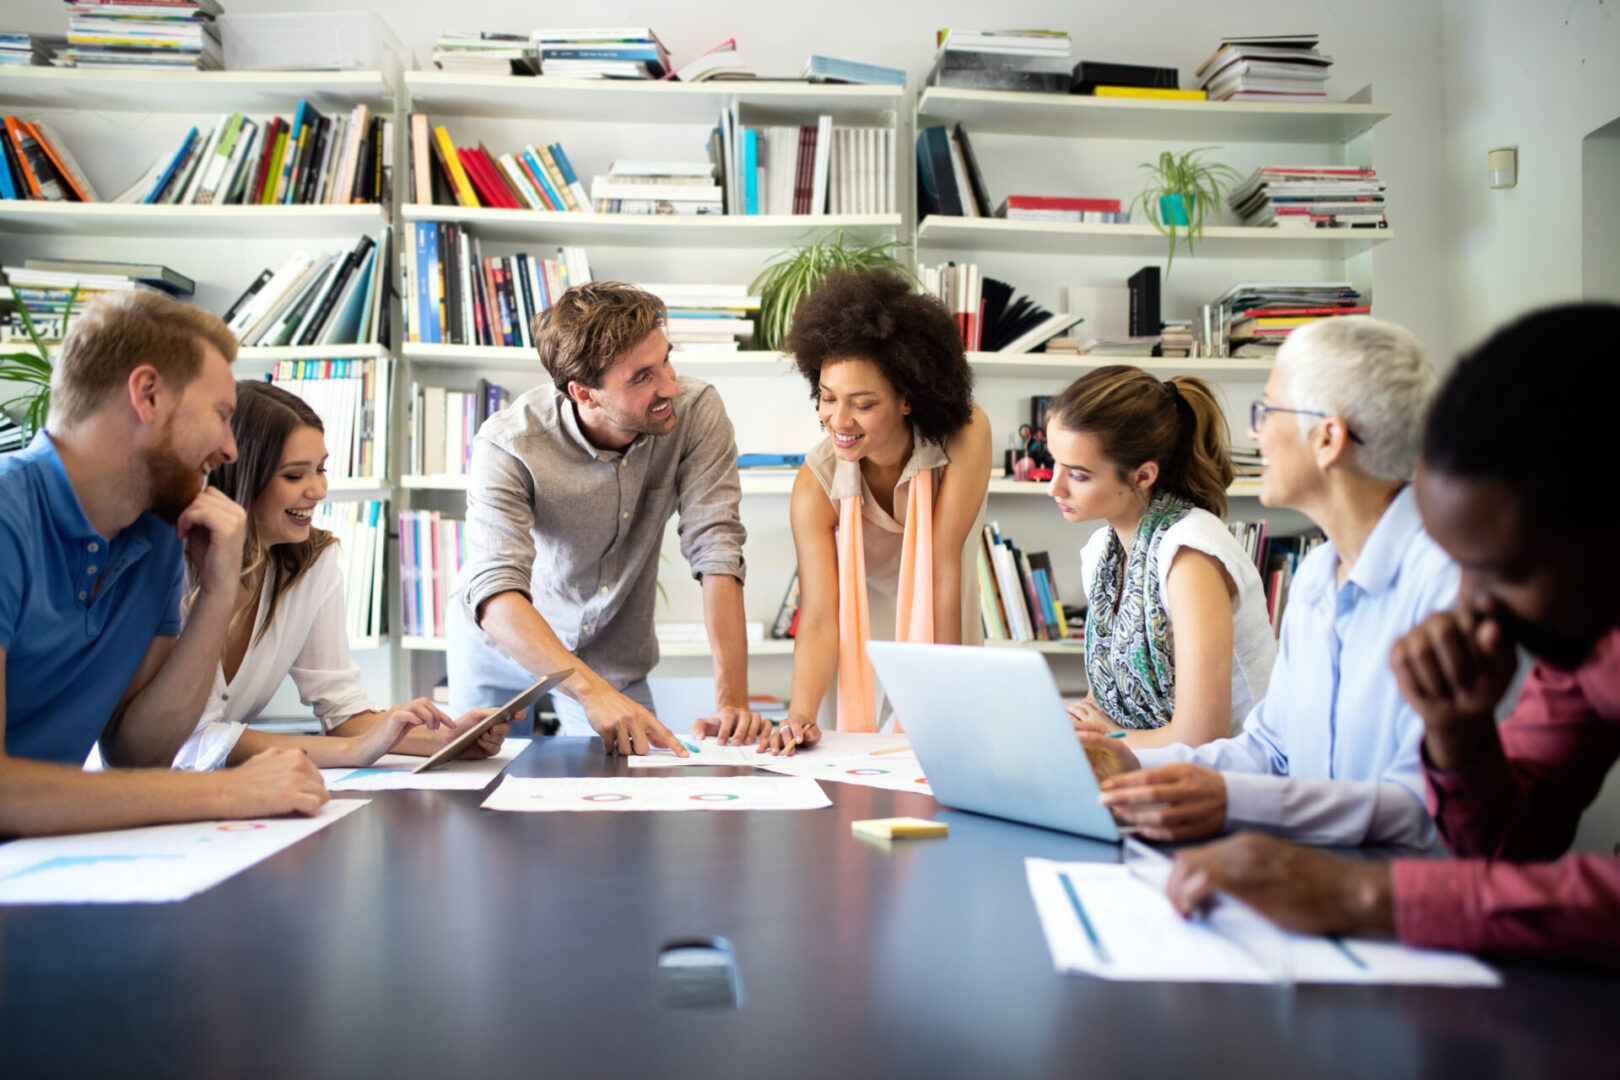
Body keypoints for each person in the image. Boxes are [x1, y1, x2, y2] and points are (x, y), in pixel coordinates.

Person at [1165, 304, 1620, 967]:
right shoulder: (1571, 641)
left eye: (1506, 572)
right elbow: (1512, 850)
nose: (1477, 602)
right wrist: (1460, 740)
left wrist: (1363, 895)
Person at [1082, 317, 1451, 847]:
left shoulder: (1443, 586)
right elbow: (1268, 749)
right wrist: (1132, 761)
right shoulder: (1318, 576)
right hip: (1312, 873)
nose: (1255, 433)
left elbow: (1423, 805)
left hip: (1400, 902)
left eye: (1268, 411)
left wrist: (1231, 801)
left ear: (1327, 439)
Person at [0, 291, 327, 836]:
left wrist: (219, 594)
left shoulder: (156, 531)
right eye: (222, 416)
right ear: (147, 395)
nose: (230, 449)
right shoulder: (9, 516)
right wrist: (227, 791)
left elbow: (137, 753)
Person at [449, 281, 758, 756]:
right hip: (505, 646)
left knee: (638, 790)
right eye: (642, 377)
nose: (670, 386)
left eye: (666, 361)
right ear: (583, 393)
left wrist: (733, 703)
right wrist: (590, 692)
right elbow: (495, 587)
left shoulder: (695, 412)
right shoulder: (509, 443)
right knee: (481, 793)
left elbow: (717, 549)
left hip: (612, 651)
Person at [170, 381, 505, 771]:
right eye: (294, 476)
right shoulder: (177, 568)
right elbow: (191, 739)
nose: (319, 490)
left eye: (321, 470)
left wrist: (444, 739)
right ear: (241, 478)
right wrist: (354, 752)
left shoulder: (315, 561)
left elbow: (344, 713)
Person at [770, 268, 991, 754]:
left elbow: (941, 570)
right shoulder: (816, 483)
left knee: (945, 750)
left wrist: (946, 698)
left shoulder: (964, 435)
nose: (839, 421)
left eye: (863, 404)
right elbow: (822, 614)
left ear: (908, 397)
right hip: (857, 633)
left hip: (945, 613)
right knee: (851, 758)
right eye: (827, 399)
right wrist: (799, 713)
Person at [1046, 366, 1274, 749]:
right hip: (1150, 767)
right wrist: (1078, 723)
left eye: (1079, 475)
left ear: (1142, 475)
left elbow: (1201, 738)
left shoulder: (1190, 556)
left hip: (1234, 778)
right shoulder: (1101, 554)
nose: (1054, 487)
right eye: (1053, 462)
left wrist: (1106, 738)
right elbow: (1102, 705)